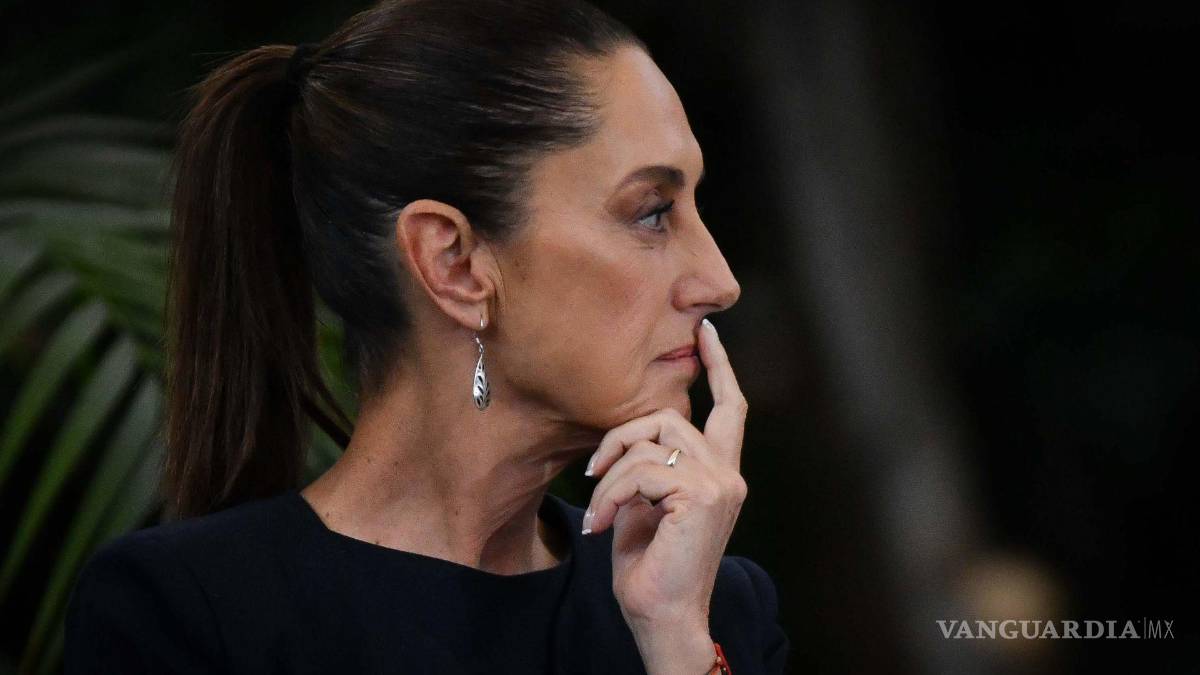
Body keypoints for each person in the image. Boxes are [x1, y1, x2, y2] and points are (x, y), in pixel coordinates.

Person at [63, 0, 790, 672]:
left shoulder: (708, 606)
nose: (719, 280)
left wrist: (676, 639)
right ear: (455, 263)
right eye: (653, 212)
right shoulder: (184, 614)